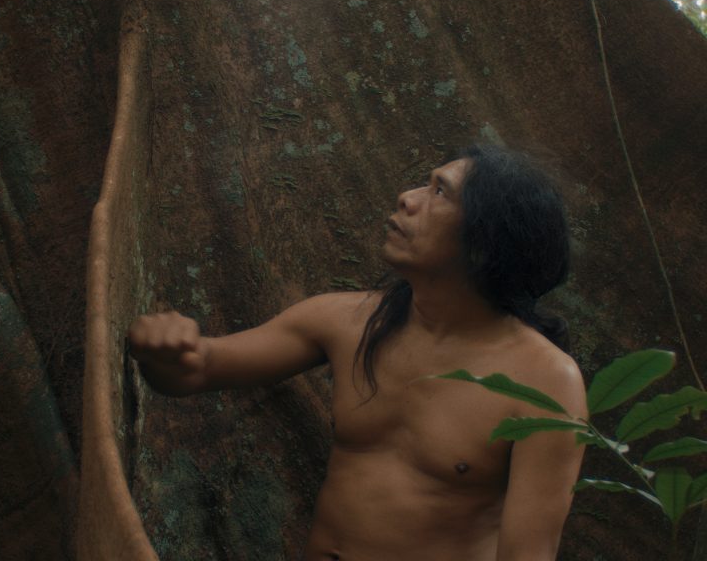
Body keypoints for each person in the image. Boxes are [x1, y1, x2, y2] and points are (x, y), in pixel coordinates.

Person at [127, 143, 587, 561]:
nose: (407, 197)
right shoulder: (345, 321)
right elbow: (195, 371)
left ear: (486, 243)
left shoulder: (545, 381)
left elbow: (528, 555)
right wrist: (163, 349)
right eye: (423, 183)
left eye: (439, 193)